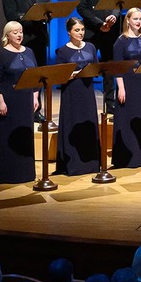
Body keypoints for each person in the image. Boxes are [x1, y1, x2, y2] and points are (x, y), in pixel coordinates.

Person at [0, 22, 38, 184]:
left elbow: (36, 76)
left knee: (24, 135)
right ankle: (6, 174)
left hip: (25, 102)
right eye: (15, 32)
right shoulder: (1, 55)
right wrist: (0, 102)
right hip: (8, 102)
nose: (19, 35)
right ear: (7, 35)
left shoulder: (29, 51)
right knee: (7, 136)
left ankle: (25, 173)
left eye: (21, 32)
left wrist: (35, 97)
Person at [53, 17, 102, 176]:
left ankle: (90, 163)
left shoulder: (91, 47)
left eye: (82, 30)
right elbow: (59, 75)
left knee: (88, 123)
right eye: (77, 30)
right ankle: (73, 164)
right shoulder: (63, 51)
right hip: (72, 93)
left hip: (87, 92)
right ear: (69, 32)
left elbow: (95, 68)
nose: (81, 33)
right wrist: (74, 74)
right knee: (73, 123)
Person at [110, 10, 141, 169]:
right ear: (128, 20)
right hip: (127, 83)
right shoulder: (121, 41)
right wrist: (121, 87)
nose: (138, 22)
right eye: (135, 19)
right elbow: (117, 67)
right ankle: (126, 157)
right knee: (127, 118)